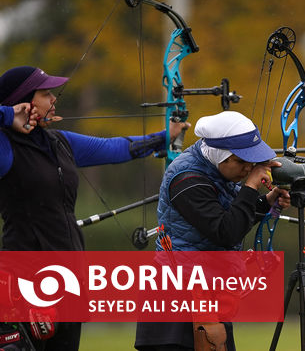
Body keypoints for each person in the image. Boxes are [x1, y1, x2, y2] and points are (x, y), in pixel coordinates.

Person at [0, 65, 189, 350]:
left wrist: (163, 136)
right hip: (25, 278)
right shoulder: (5, 148)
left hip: (68, 272)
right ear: (24, 102)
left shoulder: (58, 142)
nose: (54, 100)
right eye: (46, 93)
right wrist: (6, 115)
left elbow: (115, 148)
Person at [134, 110, 291, 351]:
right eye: (241, 161)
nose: (249, 167)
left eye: (251, 161)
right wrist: (250, 187)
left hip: (207, 295)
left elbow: (232, 217)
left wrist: (266, 201)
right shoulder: (187, 179)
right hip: (174, 305)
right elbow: (227, 231)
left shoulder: (216, 172)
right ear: (221, 156)